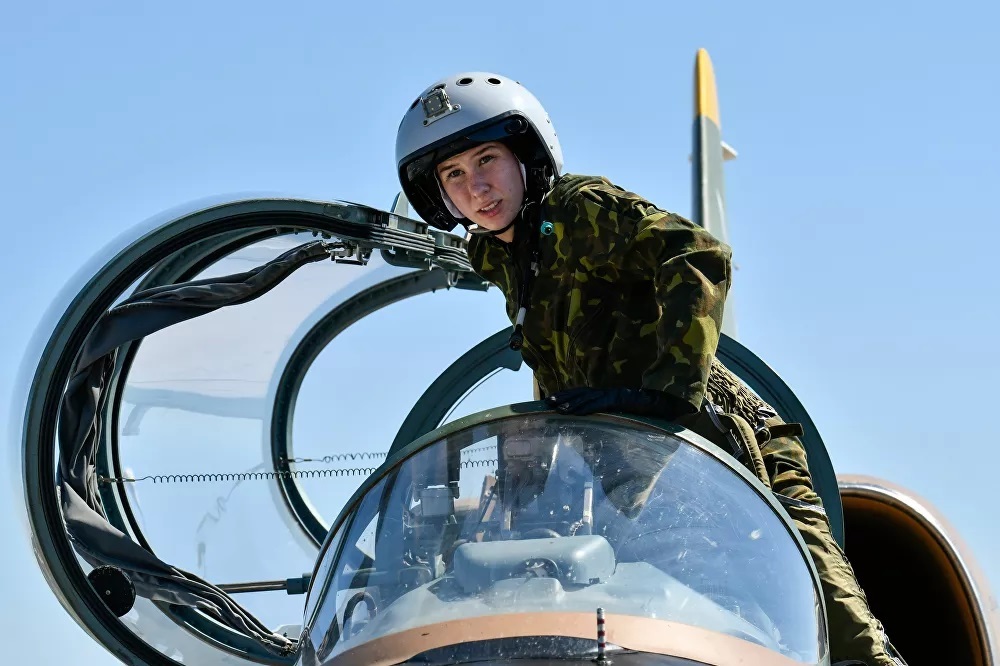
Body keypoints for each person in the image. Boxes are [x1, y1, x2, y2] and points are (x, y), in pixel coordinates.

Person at [395, 72, 906, 666]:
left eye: (487, 159)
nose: (475, 186)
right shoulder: (500, 254)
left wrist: (667, 394)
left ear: (526, 158)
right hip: (630, 461)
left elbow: (699, 254)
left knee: (838, 621)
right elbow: (559, 355)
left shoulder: (574, 210)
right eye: (453, 175)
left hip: (728, 438)